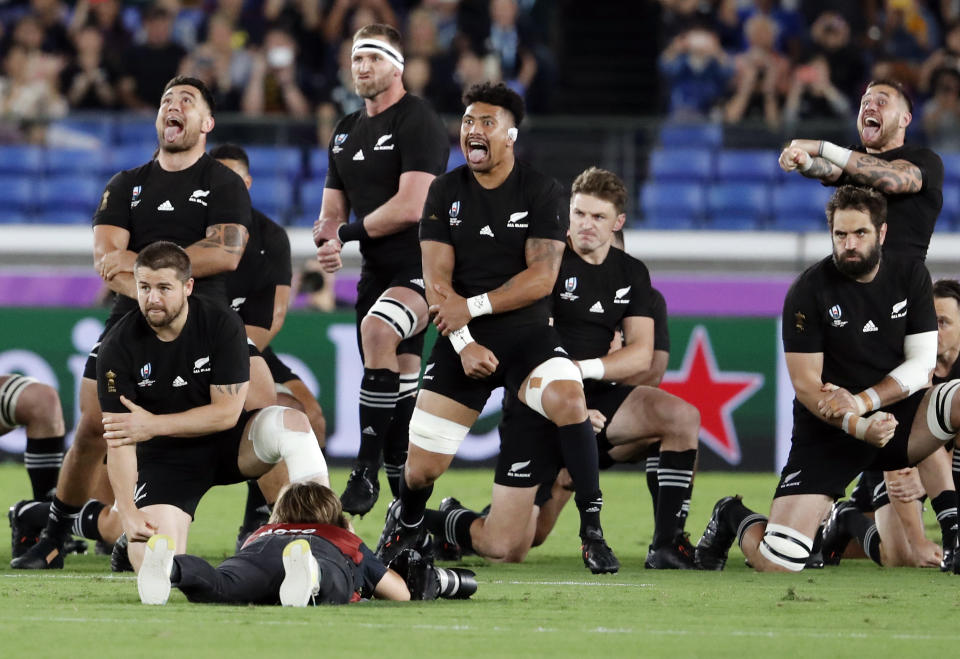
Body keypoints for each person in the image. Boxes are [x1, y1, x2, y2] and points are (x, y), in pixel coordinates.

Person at [11, 76, 252, 570]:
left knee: (265, 408)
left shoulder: (222, 182)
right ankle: (55, 532)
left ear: (206, 122)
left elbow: (226, 252)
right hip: (130, 321)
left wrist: (146, 270)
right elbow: (106, 260)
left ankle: (263, 525)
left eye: (187, 100)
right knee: (94, 428)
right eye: (166, 99)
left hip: (207, 322)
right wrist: (170, 275)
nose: (173, 106)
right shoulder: (126, 184)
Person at [377, 82, 618, 574]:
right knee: (421, 470)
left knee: (571, 399)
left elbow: (543, 277)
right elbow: (435, 281)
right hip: (460, 341)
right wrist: (463, 342)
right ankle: (407, 523)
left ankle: (592, 531)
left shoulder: (541, 190)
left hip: (528, 338)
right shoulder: (444, 191)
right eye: (467, 122)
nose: (473, 130)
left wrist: (476, 306)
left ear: (510, 135)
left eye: (486, 122)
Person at [423, 168, 700, 569]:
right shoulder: (544, 263)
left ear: (618, 223)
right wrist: (569, 401)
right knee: (511, 546)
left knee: (681, 416)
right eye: (579, 214)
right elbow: (531, 341)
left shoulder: (631, 272)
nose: (586, 225)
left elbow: (641, 356)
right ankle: (440, 519)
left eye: (598, 217)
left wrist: (580, 371)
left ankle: (667, 545)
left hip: (594, 394)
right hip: (537, 400)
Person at [695, 185, 958, 573]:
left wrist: (864, 403)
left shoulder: (910, 274)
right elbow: (806, 385)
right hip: (829, 430)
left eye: (860, 233)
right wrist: (857, 423)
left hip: (897, 418)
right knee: (779, 563)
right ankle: (731, 514)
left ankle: (954, 535)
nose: (849, 244)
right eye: (840, 234)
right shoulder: (808, 290)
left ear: (881, 234)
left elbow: (922, 366)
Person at [97, 241, 328, 573]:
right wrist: (130, 513)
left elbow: (227, 413)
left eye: (164, 287)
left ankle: (328, 534)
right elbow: (120, 438)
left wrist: (154, 425)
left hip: (229, 446)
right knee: (155, 564)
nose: (153, 298)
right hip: (166, 463)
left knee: (292, 422)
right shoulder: (117, 346)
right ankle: (122, 538)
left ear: (188, 286)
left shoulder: (221, 323)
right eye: (144, 287)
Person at [313, 23, 449, 516]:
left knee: (376, 329)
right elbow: (332, 208)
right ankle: (412, 519)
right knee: (399, 407)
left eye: (373, 58)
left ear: (398, 65)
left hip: (425, 265)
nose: (363, 67)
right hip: (375, 272)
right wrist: (328, 237)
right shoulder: (345, 130)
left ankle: (362, 470)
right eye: (357, 59)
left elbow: (413, 205)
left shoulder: (419, 120)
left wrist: (346, 234)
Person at [211, 142, 329, 546]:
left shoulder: (270, 236)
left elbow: (273, 318)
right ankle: (104, 520)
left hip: (249, 346)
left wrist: (235, 358)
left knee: (310, 416)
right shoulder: (191, 234)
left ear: (247, 183)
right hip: (193, 351)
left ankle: (264, 520)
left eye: (232, 181)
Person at [136, 481, 476, 606]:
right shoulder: (340, 536)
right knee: (331, 578)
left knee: (219, 583)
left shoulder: (263, 532)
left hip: (256, 555)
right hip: (318, 554)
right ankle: (311, 577)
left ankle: (172, 567)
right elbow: (398, 592)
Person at [819, 278, 960, 571]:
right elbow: (893, 438)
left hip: (944, 466)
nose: (933, 330)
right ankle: (847, 518)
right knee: (902, 557)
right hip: (897, 464)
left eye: (943, 322)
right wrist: (918, 540)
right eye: (927, 320)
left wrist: (930, 476)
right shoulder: (903, 364)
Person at [778, 78, 944, 263]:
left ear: (904, 119)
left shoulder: (925, 160)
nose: (869, 107)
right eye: (865, 102)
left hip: (901, 284)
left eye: (881, 102)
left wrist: (821, 147)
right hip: (851, 281)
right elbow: (825, 169)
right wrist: (803, 161)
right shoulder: (851, 156)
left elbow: (893, 180)